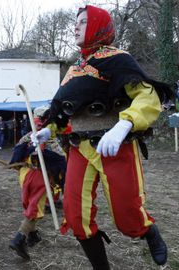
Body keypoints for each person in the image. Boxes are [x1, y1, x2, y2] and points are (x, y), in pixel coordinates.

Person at [31, 5, 171, 268]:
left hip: (115, 146)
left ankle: (148, 230)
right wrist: (49, 129)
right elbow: (65, 112)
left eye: (83, 22)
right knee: (75, 215)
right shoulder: (74, 70)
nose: (75, 26)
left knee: (127, 218)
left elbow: (148, 97)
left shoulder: (118, 59)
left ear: (98, 25)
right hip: (80, 149)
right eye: (75, 22)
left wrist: (124, 125)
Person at [8, 106, 66, 260]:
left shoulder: (26, 136)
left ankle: (33, 236)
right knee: (34, 209)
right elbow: (61, 160)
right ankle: (19, 239)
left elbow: (17, 157)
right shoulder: (49, 137)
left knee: (31, 204)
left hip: (25, 174)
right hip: (39, 177)